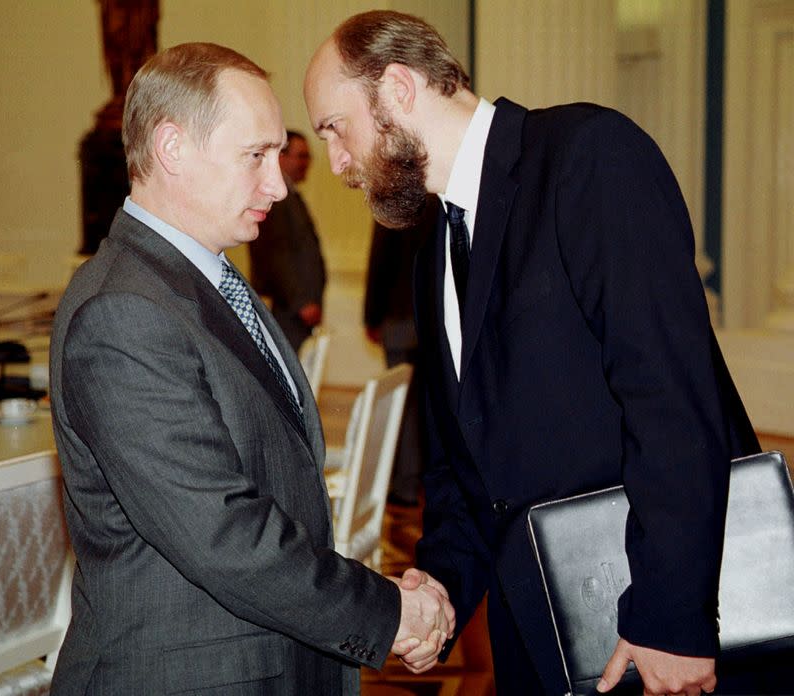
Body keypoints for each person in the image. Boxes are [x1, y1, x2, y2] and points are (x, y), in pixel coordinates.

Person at [304, 11, 771, 695]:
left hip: (655, 626)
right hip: (540, 635)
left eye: (333, 130)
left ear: (398, 88)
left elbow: (671, 398)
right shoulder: (434, 243)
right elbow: (470, 465)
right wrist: (441, 587)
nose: (337, 163)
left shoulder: (588, 155)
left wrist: (672, 617)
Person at [49, 42, 454, 695]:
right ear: (172, 148)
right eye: (255, 156)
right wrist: (388, 611)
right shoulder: (123, 313)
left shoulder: (200, 281)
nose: (279, 183)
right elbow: (223, 533)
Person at [364, 194, 439, 506]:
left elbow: (380, 261)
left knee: (402, 408)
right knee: (423, 405)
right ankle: (420, 480)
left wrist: (371, 315)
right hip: (430, 318)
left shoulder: (390, 201)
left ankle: (405, 485)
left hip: (398, 317)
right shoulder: (436, 200)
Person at [248, 130, 326, 352]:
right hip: (287, 310)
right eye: (301, 156)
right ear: (281, 157)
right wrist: (301, 301)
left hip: (295, 310)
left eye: (308, 157)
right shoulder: (274, 200)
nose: (306, 163)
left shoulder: (291, 195)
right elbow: (276, 253)